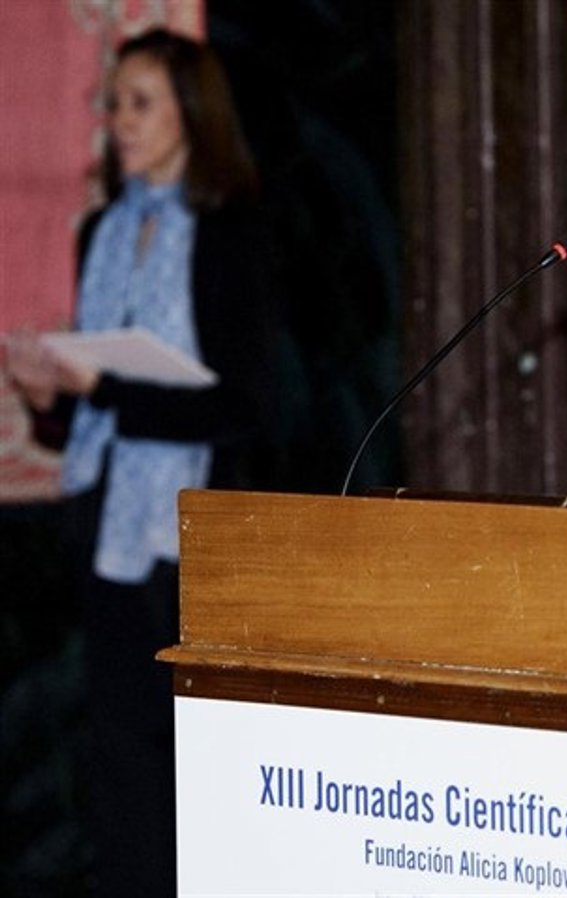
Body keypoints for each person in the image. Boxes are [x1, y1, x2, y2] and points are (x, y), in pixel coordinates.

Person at [2, 28, 276, 896]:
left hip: (195, 532)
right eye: (113, 103)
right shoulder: (101, 231)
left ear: (191, 114)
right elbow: (89, 412)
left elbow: (246, 407)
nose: (119, 120)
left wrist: (107, 390)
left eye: (140, 103)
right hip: (103, 519)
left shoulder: (230, 233)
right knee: (119, 756)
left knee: (195, 759)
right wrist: (51, 394)